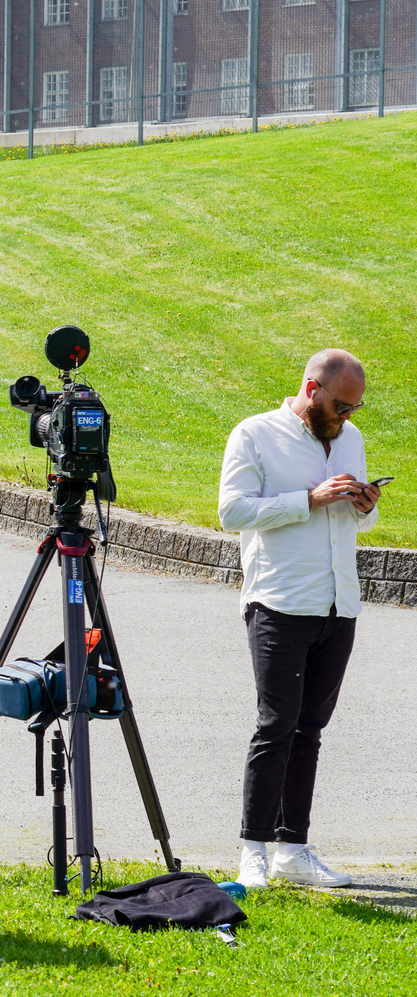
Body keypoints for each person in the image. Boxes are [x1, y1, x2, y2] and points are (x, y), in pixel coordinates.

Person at [219, 348, 379, 891]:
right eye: (340, 405)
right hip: (280, 602)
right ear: (311, 388)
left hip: (338, 603)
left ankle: (293, 848)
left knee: (310, 730)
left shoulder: (349, 438)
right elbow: (232, 511)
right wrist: (307, 499)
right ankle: (253, 851)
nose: (347, 418)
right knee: (275, 727)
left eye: (355, 409)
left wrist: (364, 503)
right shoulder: (255, 434)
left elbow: (363, 517)